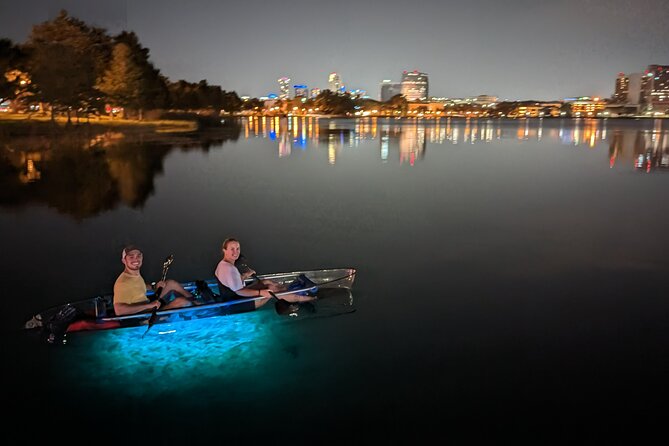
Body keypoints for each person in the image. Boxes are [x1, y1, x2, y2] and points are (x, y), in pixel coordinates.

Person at [214, 238, 315, 313]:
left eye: (237, 248)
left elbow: (232, 283)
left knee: (266, 282)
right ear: (224, 250)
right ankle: (309, 298)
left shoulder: (223, 264)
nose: (236, 252)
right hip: (237, 303)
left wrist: (245, 276)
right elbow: (240, 291)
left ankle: (287, 290)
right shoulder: (229, 269)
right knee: (272, 290)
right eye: (232, 249)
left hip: (232, 297)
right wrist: (261, 292)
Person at [113, 245, 194, 316]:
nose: (136, 259)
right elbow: (119, 311)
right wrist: (149, 306)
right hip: (143, 315)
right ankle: (197, 310)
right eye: (131, 257)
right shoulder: (123, 283)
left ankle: (195, 301)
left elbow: (137, 287)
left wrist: (154, 286)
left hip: (147, 305)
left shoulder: (133, 274)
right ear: (124, 260)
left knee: (170, 284)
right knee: (182, 302)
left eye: (138, 256)